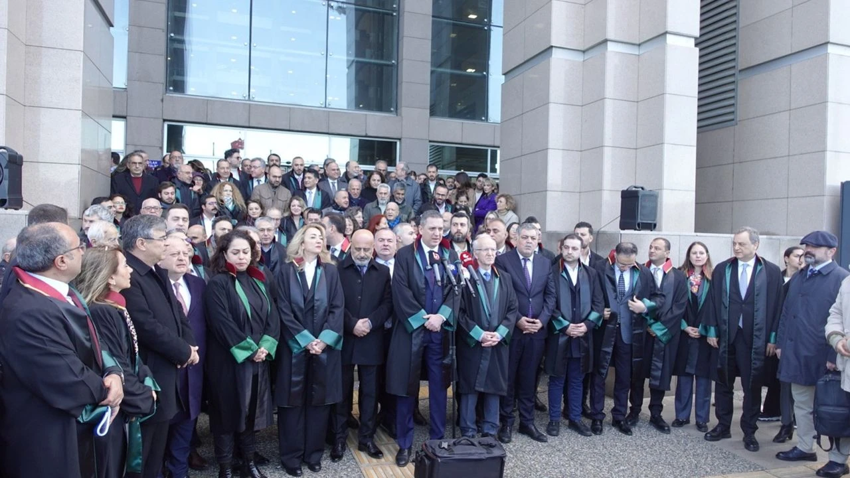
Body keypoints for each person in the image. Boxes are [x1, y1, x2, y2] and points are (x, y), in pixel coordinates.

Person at [0, 222, 125, 478]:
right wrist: (108, 390)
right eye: (79, 247)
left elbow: (94, 338)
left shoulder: (60, 291)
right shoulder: (28, 310)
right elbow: (65, 377)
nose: (84, 251)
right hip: (47, 433)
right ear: (61, 261)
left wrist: (114, 372)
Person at [121, 215, 199, 478]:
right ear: (141, 243)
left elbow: (178, 314)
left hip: (166, 373)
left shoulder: (156, 271)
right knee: (143, 456)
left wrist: (190, 346)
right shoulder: (130, 275)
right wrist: (183, 351)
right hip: (148, 376)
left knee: (156, 452)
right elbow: (145, 325)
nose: (166, 243)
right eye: (161, 238)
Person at [77, 246, 159, 478]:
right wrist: (143, 397)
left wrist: (147, 383)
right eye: (124, 265)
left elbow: (133, 354)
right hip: (114, 409)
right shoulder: (102, 311)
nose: (130, 270)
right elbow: (117, 362)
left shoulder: (114, 307)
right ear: (110, 277)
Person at [386, 210, 459, 467]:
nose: (438, 233)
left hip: (439, 332)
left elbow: (456, 290)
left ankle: (437, 441)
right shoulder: (406, 255)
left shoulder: (450, 255)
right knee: (407, 388)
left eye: (441, 229)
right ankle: (404, 443)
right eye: (432, 229)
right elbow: (400, 291)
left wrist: (441, 317)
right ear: (420, 229)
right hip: (412, 331)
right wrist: (422, 319)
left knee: (439, 387)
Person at [204, 230, 279, 478]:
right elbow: (220, 322)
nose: (241, 257)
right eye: (235, 252)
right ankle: (225, 468)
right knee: (226, 415)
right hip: (228, 360)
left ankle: (249, 463)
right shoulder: (218, 283)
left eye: (246, 252)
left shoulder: (258, 280)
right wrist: (249, 350)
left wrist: (266, 346)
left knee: (250, 413)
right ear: (224, 254)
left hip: (257, 359)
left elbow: (273, 317)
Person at [774, 231, 849, 475]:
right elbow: (787, 312)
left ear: (831, 251)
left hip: (827, 357)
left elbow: (841, 320)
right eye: (806, 245)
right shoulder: (800, 275)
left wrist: (833, 356)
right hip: (797, 353)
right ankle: (805, 446)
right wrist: (781, 344)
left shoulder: (841, 278)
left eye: (814, 246)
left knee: (834, 409)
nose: (808, 250)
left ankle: (837, 458)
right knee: (802, 404)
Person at [702, 227, 783, 452]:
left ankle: (749, 431)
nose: (736, 248)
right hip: (727, 334)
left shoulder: (771, 271)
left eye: (742, 244)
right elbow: (712, 300)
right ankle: (723, 425)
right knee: (723, 381)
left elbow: (777, 306)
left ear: (755, 245)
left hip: (755, 337)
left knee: (752, 384)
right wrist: (711, 330)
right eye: (735, 243)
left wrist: (773, 338)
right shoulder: (723, 269)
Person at [273, 224, 344, 476]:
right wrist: (305, 340)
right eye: (313, 236)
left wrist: (323, 340)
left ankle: (313, 454)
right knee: (292, 403)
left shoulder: (331, 271)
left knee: (319, 402)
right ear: (301, 242)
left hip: (323, 347)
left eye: (321, 237)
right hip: (293, 346)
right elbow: (282, 309)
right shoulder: (285, 271)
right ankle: (291, 457)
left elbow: (337, 308)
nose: (319, 240)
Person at [331, 230, 393, 461]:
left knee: (370, 392)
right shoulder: (337, 269)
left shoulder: (382, 272)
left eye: (367, 249)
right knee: (341, 391)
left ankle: (366, 438)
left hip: (371, 338)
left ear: (373, 248)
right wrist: (352, 324)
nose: (362, 253)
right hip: (345, 338)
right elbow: (335, 302)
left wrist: (370, 323)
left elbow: (388, 303)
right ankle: (339, 438)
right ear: (350, 247)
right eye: (358, 248)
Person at [494, 223, 556, 444]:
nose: (529, 241)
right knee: (509, 378)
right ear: (516, 239)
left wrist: (542, 321)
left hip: (536, 332)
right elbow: (502, 294)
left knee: (529, 379)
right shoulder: (503, 261)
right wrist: (518, 319)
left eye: (533, 237)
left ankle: (527, 422)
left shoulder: (545, 263)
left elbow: (550, 296)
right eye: (525, 237)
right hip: (513, 330)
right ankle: (506, 422)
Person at [590, 242, 660, 436]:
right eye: (621, 264)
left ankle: (619, 416)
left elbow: (658, 297)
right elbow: (588, 295)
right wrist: (598, 312)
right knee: (599, 374)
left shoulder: (644, 272)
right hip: (604, 330)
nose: (625, 267)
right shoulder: (599, 268)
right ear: (615, 255)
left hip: (629, 331)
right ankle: (596, 416)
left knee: (624, 376)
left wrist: (645, 307)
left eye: (629, 265)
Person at [456, 234, 519, 439]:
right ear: (475, 253)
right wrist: (479, 334)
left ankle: (491, 428)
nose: (491, 253)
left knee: (495, 385)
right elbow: (459, 312)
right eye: (485, 250)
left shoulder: (504, 278)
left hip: (497, 342)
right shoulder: (465, 278)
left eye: (493, 250)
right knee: (469, 386)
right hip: (473, 341)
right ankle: (468, 429)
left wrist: (500, 334)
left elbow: (512, 309)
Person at [158, 234, 210, 477]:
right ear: (160, 257)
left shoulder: (198, 284)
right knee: (161, 434)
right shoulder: (153, 287)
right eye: (174, 254)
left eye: (185, 253)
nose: (182, 258)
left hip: (194, 372)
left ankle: (179, 471)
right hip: (165, 371)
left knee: (186, 427)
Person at [544, 234, 603, 437]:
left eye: (574, 248)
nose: (570, 252)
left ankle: (575, 418)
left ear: (582, 250)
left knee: (577, 379)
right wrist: (564, 326)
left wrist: (586, 326)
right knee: (557, 379)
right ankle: (554, 419)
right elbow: (549, 304)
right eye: (566, 247)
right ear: (561, 248)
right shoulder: (552, 272)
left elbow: (598, 304)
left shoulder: (591, 274)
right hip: (559, 335)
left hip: (582, 337)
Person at [630, 237, 688, 434]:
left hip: (665, 333)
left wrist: (660, 328)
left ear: (667, 252)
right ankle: (634, 410)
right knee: (637, 373)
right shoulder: (639, 271)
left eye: (657, 248)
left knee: (661, 372)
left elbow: (679, 306)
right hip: (641, 332)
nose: (652, 250)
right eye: (651, 247)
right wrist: (647, 323)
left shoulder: (678, 276)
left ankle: (656, 413)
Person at [672, 241, 716, 433]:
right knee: (684, 377)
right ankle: (681, 415)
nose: (698, 256)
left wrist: (705, 328)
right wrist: (684, 327)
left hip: (705, 335)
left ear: (707, 255)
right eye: (694, 253)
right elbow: (673, 304)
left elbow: (716, 306)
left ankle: (702, 418)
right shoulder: (679, 276)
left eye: (701, 253)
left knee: (704, 378)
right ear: (688, 256)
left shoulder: (714, 278)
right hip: (684, 332)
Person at [824, 273, 850, 478]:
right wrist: (836, 338)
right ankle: (838, 458)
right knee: (845, 413)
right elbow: (836, 314)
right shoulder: (848, 282)